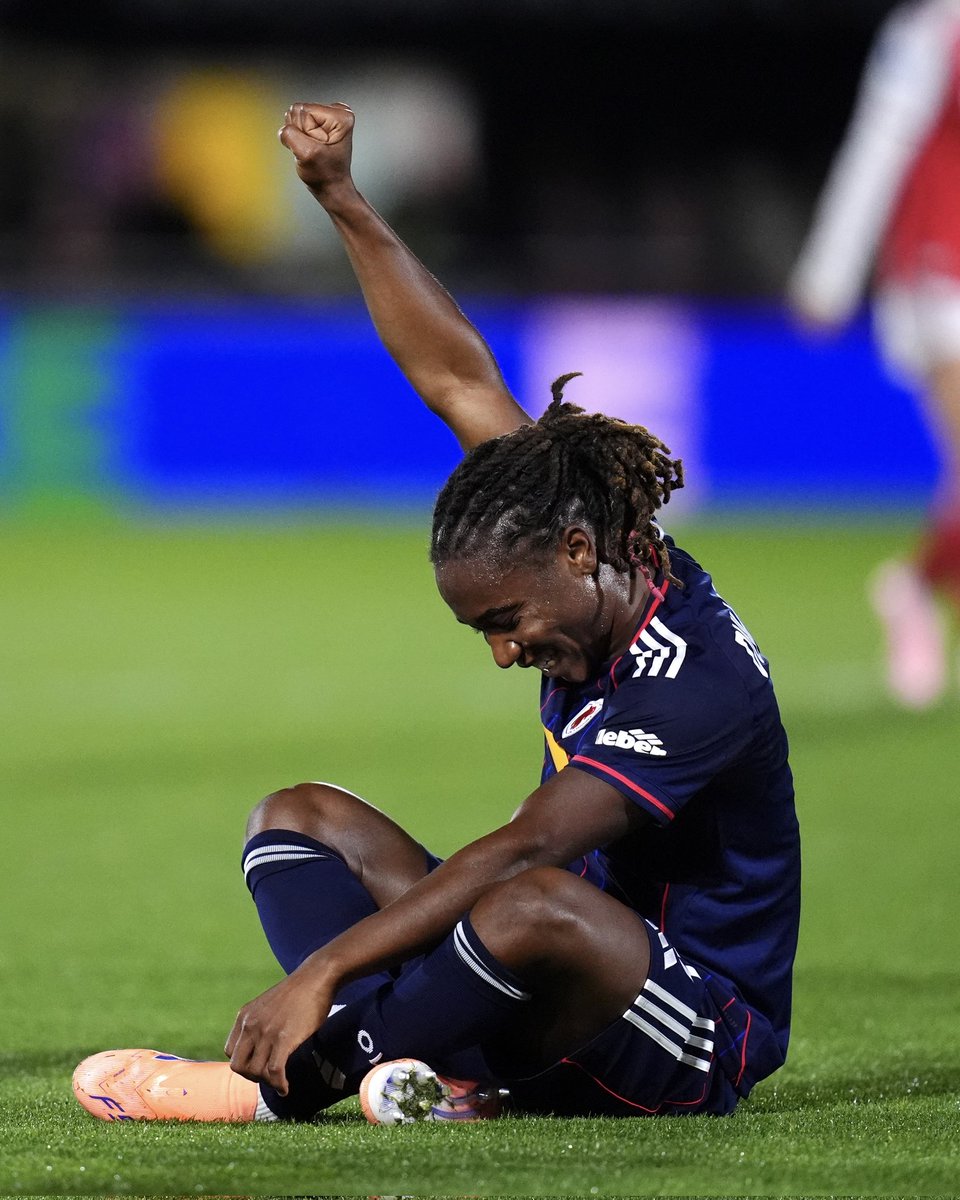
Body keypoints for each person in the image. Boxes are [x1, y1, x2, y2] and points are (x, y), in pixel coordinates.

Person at [72, 102, 800, 1125]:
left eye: (506, 620)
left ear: (578, 557)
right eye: (483, 632)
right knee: (298, 819)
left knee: (524, 892)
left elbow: (523, 853)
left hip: (690, 1026)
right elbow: (456, 375)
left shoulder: (694, 678)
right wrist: (339, 198)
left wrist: (318, 972)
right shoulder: (565, 531)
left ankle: (296, 1083)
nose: (506, 653)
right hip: (544, 974)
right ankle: (426, 1076)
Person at [788, 0, 960, 708]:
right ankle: (916, 589)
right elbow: (878, 144)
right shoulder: (929, 32)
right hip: (939, 264)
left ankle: (916, 585)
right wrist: (829, 272)